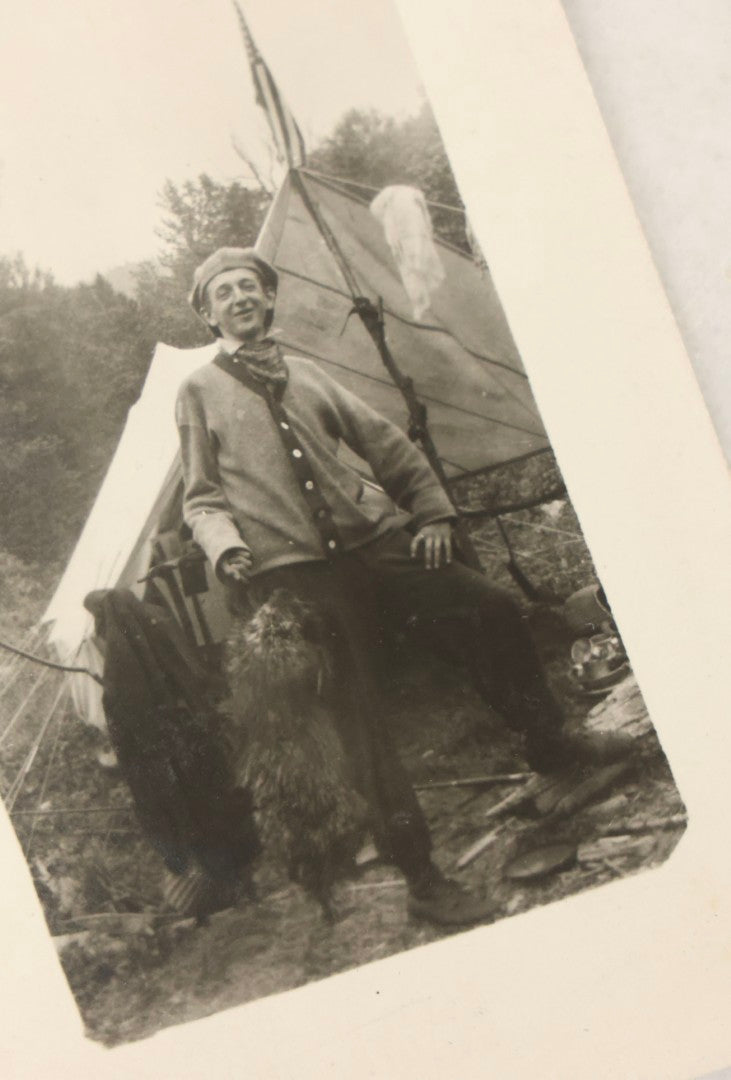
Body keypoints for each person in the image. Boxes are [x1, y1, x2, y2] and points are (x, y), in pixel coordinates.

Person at [175, 246, 630, 926]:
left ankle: (551, 747)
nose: (239, 298)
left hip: (376, 546)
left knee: (492, 607)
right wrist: (227, 549)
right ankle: (423, 879)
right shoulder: (198, 392)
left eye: (250, 287)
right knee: (360, 721)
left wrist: (433, 512)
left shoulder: (308, 373)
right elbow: (200, 499)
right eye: (224, 293)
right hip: (296, 576)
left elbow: (385, 442)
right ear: (209, 314)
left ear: (269, 301)